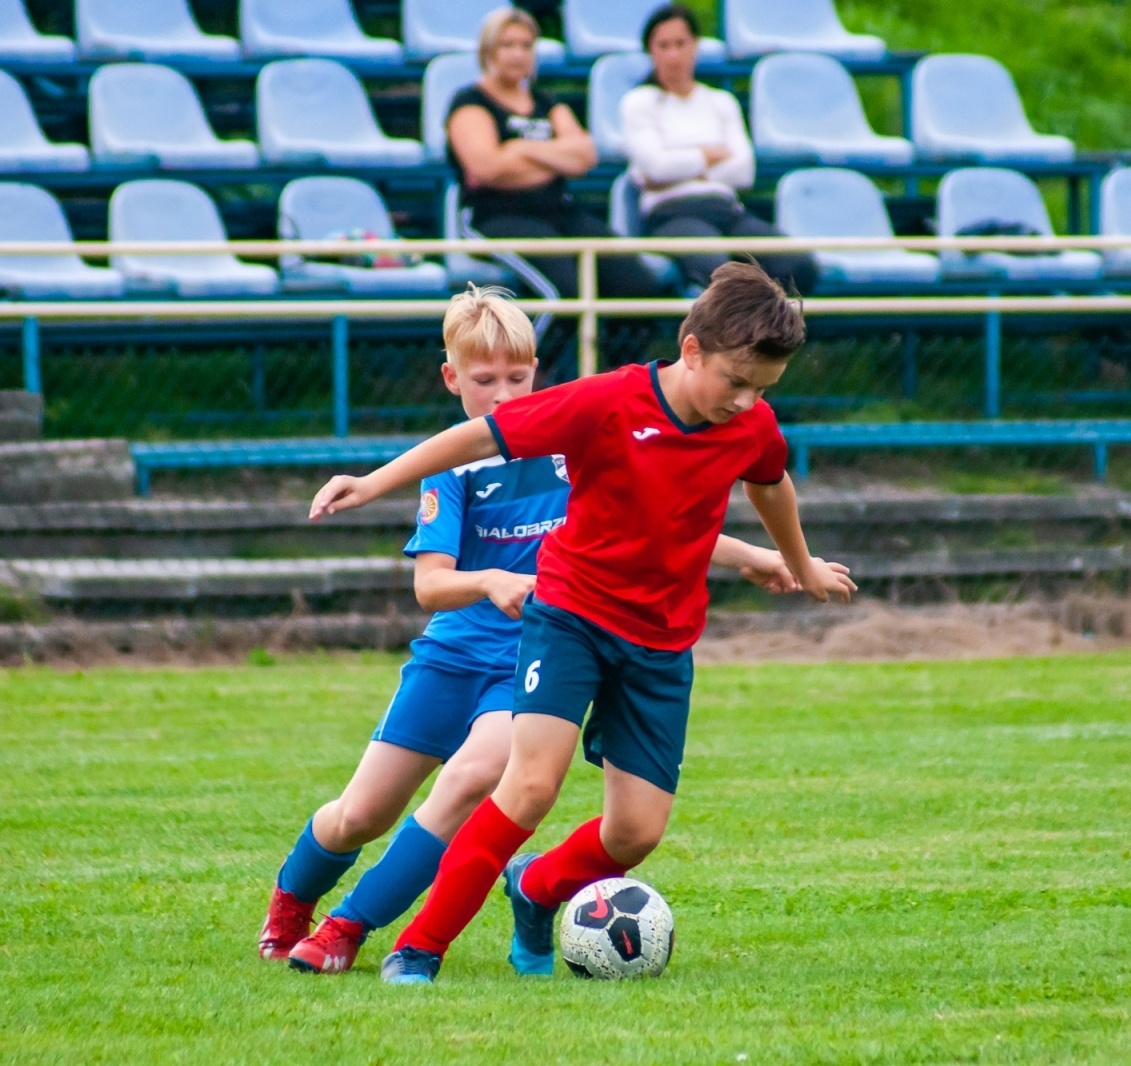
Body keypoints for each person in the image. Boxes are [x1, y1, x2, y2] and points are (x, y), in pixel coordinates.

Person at [259, 284, 845, 975]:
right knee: (429, 803)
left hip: (645, 641)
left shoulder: (741, 424)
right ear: (691, 350)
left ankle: (532, 888)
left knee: (631, 831)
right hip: (532, 631)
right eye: (737, 382)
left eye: (762, 389)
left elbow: (734, 494)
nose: (747, 401)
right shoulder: (597, 407)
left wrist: (787, 562)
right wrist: (374, 482)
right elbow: (472, 456)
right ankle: (386, 937)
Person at [446, 7, 666, 301]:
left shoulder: (546, 102)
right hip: (496, 216)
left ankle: (610, 335)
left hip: (559, 211)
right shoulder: (470, 102)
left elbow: (584, 155)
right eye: (507, 45)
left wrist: (519, 149)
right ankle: (542, 335)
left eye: (526, 45)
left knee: (638, 286)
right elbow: (487, 167)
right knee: (566, 292)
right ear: (488, 51)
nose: (518, 54)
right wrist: (555, 161)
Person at [621, 4, 818, 295]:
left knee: (798, 264)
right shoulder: (638, 102)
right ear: (651, 51)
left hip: (727, 211)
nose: (673, 54)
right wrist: (709, 156)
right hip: (671, 213)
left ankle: (770, 326)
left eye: (680, 43)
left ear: (695, 46)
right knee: (719, 270)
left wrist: (680, 165)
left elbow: (743, 171)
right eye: (663, 46)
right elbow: (655, 167)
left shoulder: (721, 102)